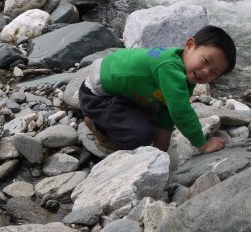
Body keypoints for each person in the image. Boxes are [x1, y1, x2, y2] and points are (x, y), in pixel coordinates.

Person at [78, 25, 236, 154]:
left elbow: (168, 114)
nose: (206, 72)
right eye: (206, 60)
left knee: (153, 121)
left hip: (125, 89)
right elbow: (180, 112)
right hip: (97, 95)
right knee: (140, 137)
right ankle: (98, 124)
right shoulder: (169, 67)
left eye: (214, 73)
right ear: (189, 46)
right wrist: (203, 144)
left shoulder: (185, 72)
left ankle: (118, 119)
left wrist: (158, 152)